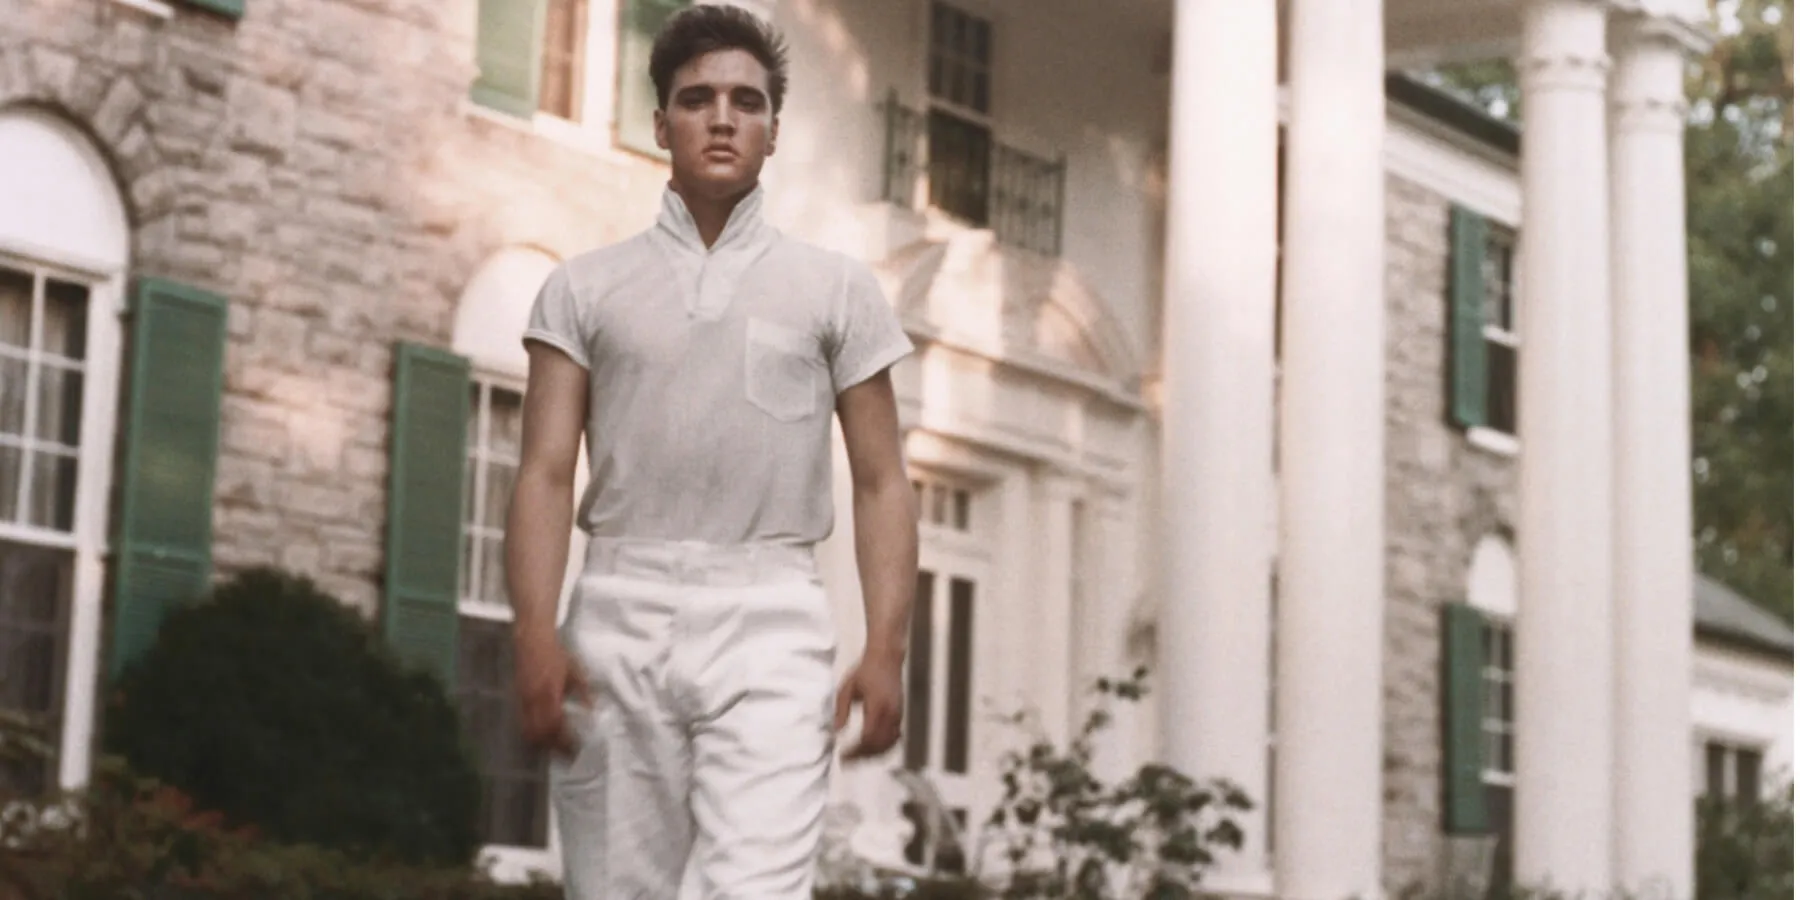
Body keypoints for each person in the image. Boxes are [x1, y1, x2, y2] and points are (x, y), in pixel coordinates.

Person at [502, 4, 919, 897]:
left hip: (771, 617)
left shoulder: (836, 290)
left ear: (773, 129)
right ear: (660, 124)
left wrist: (886, 646)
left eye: (747, 100)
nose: (723, 116)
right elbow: (541, 473)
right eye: (697, 99)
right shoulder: (583, 288)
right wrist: (535, 632)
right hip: (617, 610)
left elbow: (883, 482)